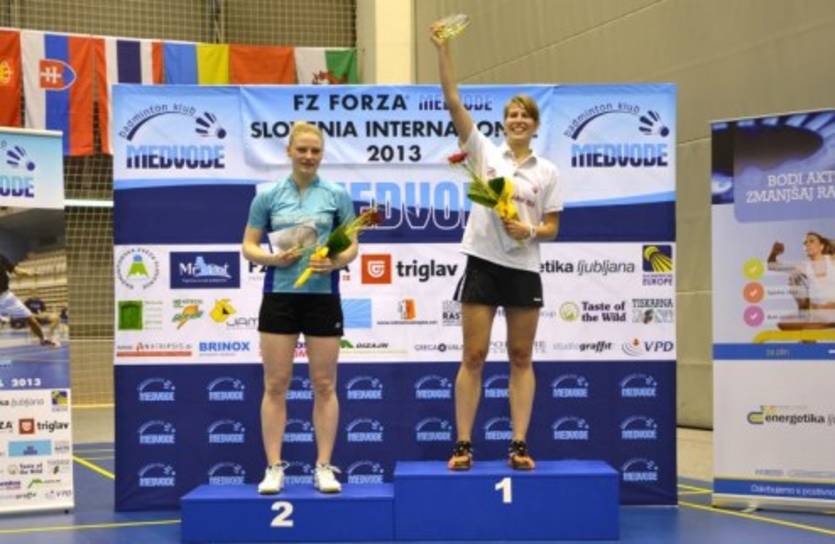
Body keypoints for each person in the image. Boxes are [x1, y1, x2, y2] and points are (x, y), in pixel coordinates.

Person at [431, 24, 563, 471]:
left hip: (523, 267)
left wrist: (530, 231)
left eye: (525, 115)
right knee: (474, 356)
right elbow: (453, 101)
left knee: (521, 356)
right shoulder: (484, 153)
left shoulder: (547, 171)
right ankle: (463, 445)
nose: (518, 121)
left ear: (535, 125)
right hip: (484, 262)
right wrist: (444, 49)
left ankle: (519, 444)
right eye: (512, 115)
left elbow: (552, 227)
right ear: (504, 123)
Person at [242, 122, 358, 495]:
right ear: (289, 152)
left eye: (315, 150)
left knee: (324, 384)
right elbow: (249, 245)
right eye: (302, 149)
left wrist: (335, 262)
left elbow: (351, 246)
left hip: (323, 297)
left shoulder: (337, 195)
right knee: (276, 385)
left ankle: (323, 467)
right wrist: (272, 259)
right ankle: (274, 468)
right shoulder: (268, 196)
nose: (309, 156)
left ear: (322, 154)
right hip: (280, 296)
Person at [768, 232, 835, 324]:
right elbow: (772, 266)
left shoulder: (831, 260)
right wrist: (774, 253)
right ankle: (807, 313)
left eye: (811, 241)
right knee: (784, 323)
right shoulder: (804, 266)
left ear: (821, 246)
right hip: (820, 313)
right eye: (805, 243)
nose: (807, 244)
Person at [0, 254, 60, 347]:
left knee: (31, 319)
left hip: (7, 296)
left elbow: (16, 271)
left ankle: (43, 339)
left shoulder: (1, 257)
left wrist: (30, 272)